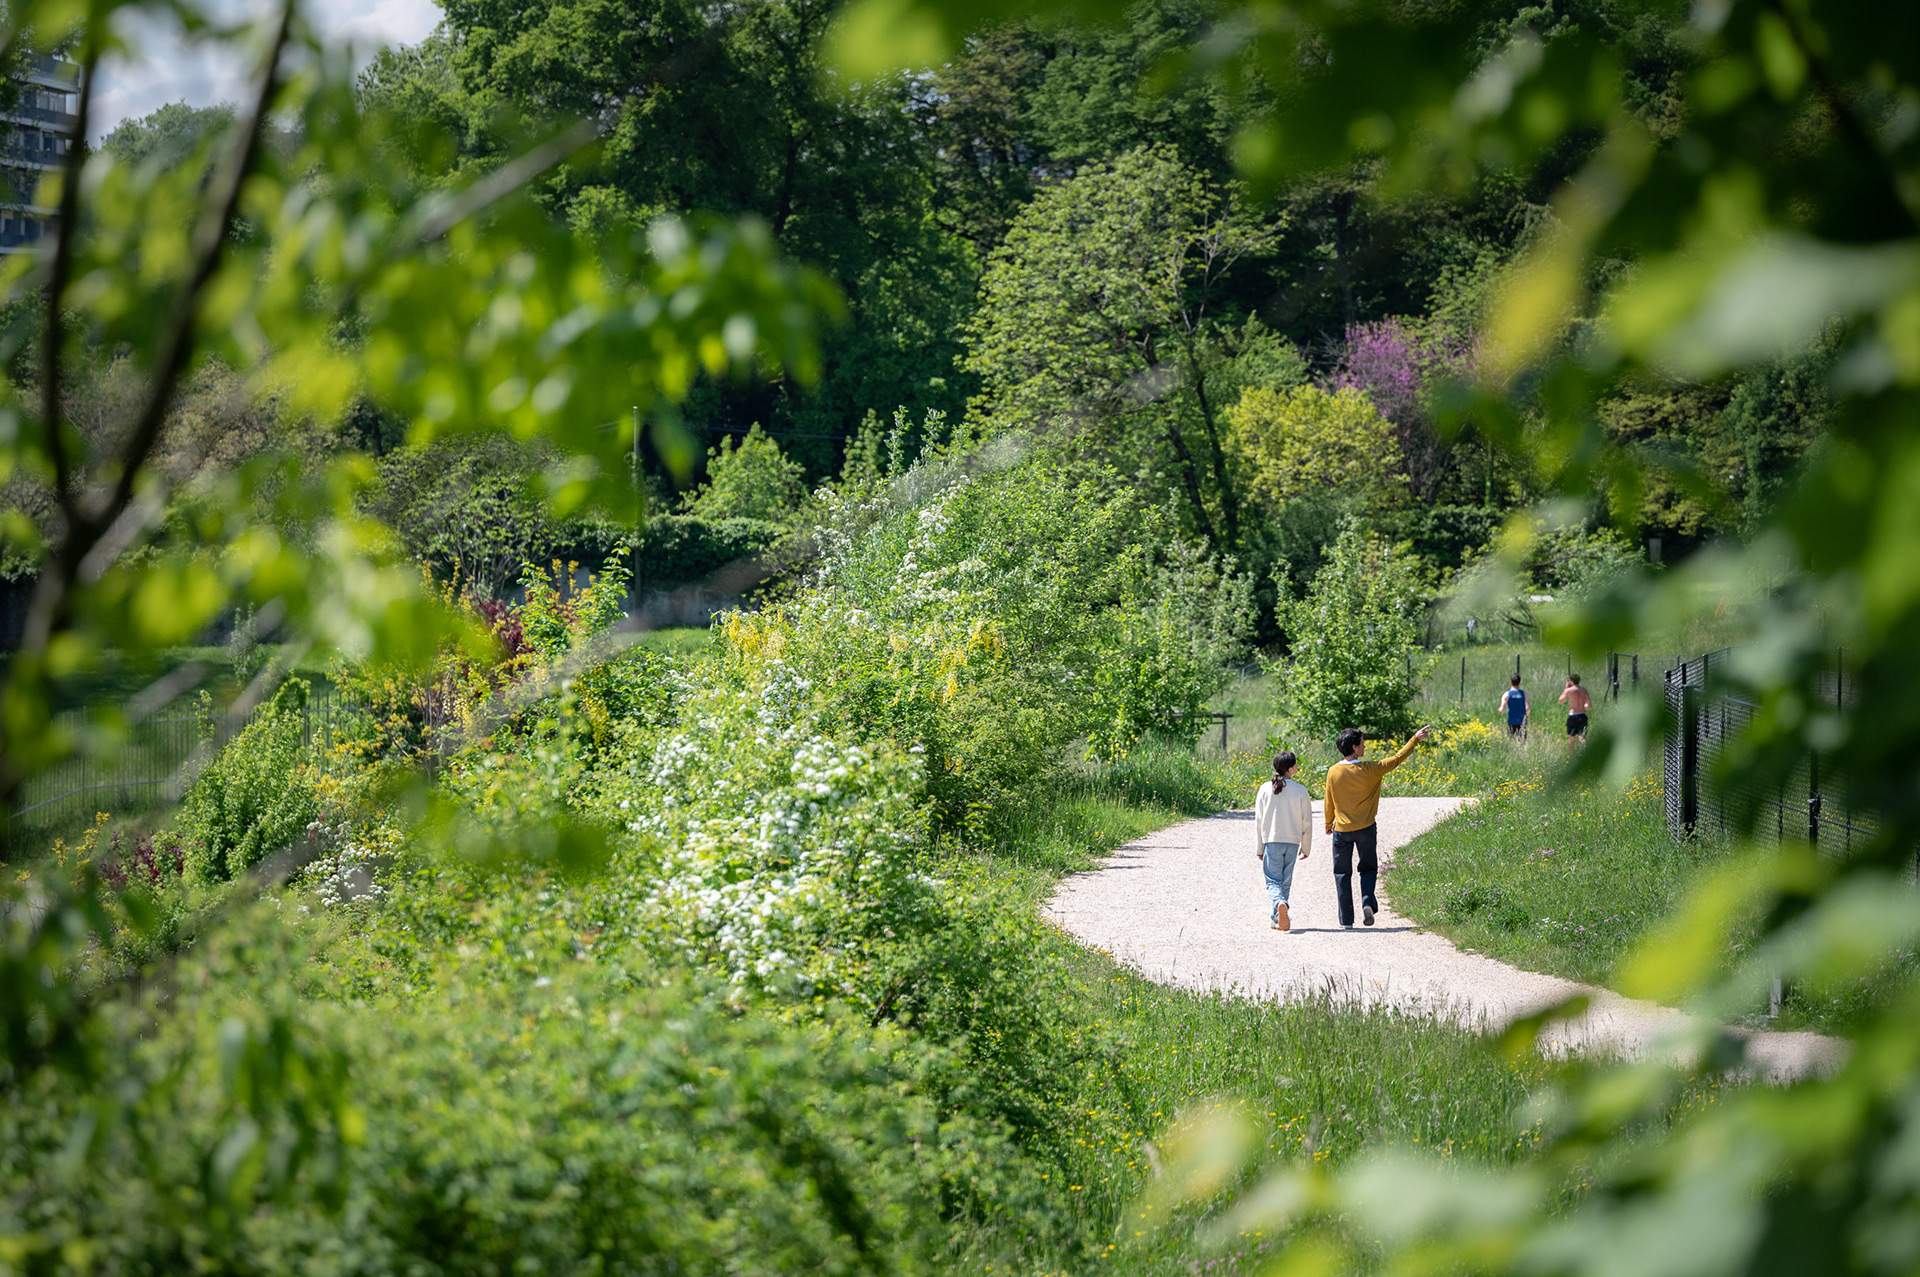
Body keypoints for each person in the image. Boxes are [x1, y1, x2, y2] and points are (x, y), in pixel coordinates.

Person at [1324, 724, 1431, 929]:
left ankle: (1346, 920)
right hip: (1366, 829)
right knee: (1368, 868)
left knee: (1342, 874)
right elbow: (1397, 758)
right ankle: (1367, 901)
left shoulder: (1333, 772)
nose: (1364, 747)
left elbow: (1329, 799)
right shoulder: (1371, 769)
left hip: (1342, 831)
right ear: (1354, 747)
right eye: (1362, 744)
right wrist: (1415, 739)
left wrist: (1329, 823)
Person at [1253, 751, 1313, 932]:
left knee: (1272, 880)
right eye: (1295, 765)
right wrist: (1306, 847)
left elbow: (1259, 819)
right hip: (1293, 842)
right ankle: (1277, 918)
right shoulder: (1301, 790)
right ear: (1290, 768)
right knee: (1285, 881)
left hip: (1272, 840)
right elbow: (1307, 821)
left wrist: (1259, 846)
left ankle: (1280, 904)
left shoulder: (1265, 789)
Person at [1558, 673, 1592, 748]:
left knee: (1571, 740)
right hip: (1583, 716)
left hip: (1573, 716)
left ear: (1571, 681)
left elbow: (1560, 701)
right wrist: (1581, 706)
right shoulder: (1584, 690)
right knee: (1582, 738)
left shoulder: (1569, 690)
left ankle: (1571, 758)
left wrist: (1566, 688)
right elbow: (1589, 706)